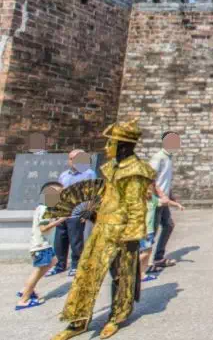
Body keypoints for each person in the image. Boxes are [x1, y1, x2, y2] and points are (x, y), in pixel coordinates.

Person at [52, 118, 157, 340]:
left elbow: (136, 206)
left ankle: (117, 316)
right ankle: (78, 319)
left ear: (123, 146)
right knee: (86, 272)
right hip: (102, 228)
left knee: (121, 275)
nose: (107, 147)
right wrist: (93, 213)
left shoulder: (135, 171)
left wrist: (132, 236)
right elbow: (107, 196)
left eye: (111, 143)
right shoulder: (111, 168)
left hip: (122, 232)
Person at [16, 182, 67, 311]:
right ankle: (23, 300)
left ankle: (26, 289)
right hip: (41, 246)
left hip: (43, 246)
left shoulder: (42, 207)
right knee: (38, 271)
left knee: (53, 261)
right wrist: (60, 221)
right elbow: (43, 228)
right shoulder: (45, 209)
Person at [48, 150, 96, 278]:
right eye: (70, 159)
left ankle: (76, 265)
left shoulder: (89, 174)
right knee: (60, 240)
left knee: (76, 242)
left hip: (77, 213)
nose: (72, 161)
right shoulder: (64, 175)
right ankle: (59, 265)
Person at [149, 131, 184, 270]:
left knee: (168, 225)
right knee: (151, 232)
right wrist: (161, 196)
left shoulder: (168, 158)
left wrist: (170, 195)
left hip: (164, 200)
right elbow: (150, 179)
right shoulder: (158, 158)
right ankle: (146, 263)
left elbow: (164, 180)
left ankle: (158, 258)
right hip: (156, 201)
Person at [139, 181, 159, 282]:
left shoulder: (152, 199)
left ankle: (142, 274)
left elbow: (163, 202)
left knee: (148, 251)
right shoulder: (142, 201)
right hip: (145, 231)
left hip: (149, 231)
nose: (150, 190)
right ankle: (129, 266)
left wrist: (176, 204)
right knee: (146, 252)